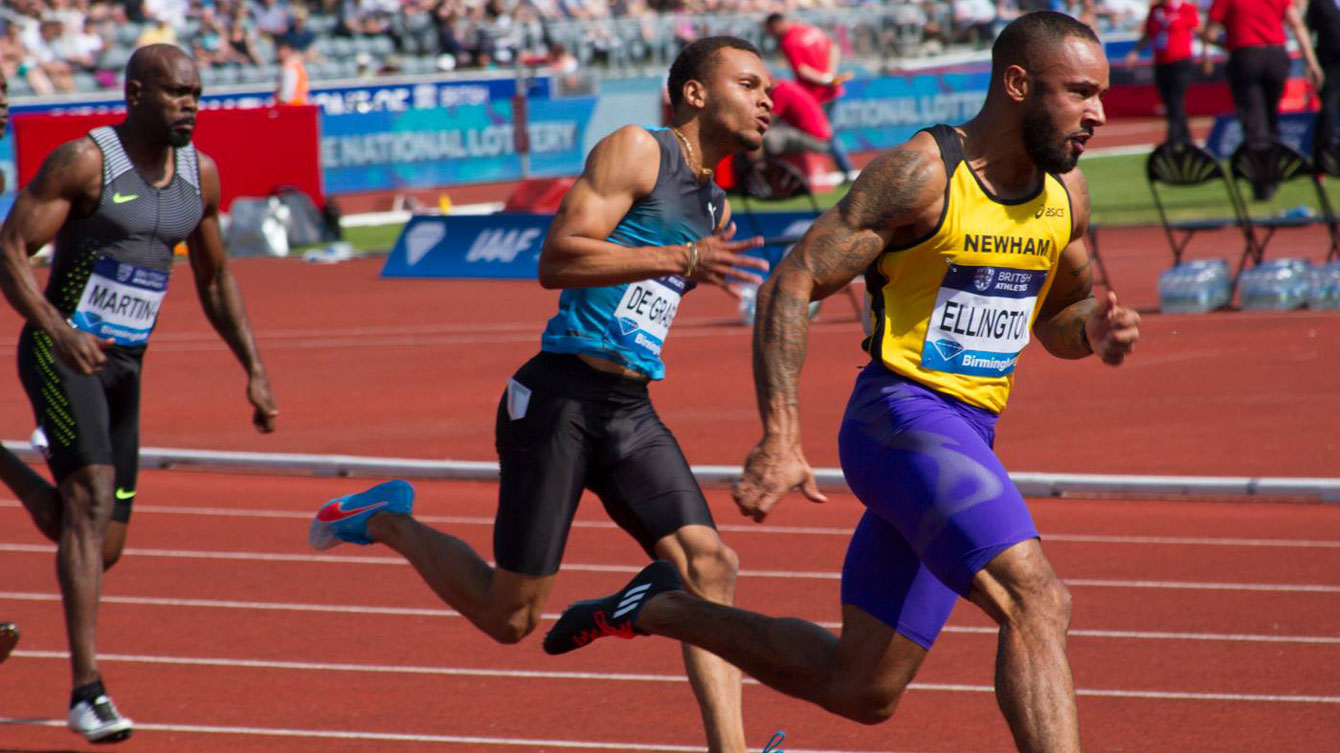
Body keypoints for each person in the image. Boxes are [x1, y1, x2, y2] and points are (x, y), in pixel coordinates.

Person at [545, 13, 1142, 753]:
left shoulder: (1066, 196)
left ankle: (665, 608)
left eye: (1101, 94)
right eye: (1081, 92)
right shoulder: (923, 175)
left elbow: (1056, 315)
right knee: (1038, 599)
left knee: (860, 687)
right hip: (900, 420)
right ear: (1018, 84)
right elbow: (792, 282)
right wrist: (782, 435)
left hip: (968, 437)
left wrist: (1094, 331)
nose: (1099, 113)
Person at [307, 37, 772, 753]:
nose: (768, 97)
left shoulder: (712, 201)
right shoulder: (638, 150)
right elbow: (555, 258)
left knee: (711, 564)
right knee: (511, 617)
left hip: (628, 410)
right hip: (558, 400)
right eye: (749, 82)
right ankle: (386, 518)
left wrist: (689, 262)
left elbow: (647, 278)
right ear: (695, 93)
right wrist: (679, 258)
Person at [0, 44, 278, 743]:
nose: (191, 105)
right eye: (178, 93)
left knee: (101, 539)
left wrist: (254, 365)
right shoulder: (85, 162)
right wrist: (56, 329)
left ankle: (16, 474)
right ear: (136, 93)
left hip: (128, 365)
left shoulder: (201, 177)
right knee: (90, 500)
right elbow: (9, 250)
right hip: (62, 353)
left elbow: (215, 279)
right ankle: (86, 691)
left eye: (198, 94)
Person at [1202, 0, 1323, 199]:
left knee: (1254, 122)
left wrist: (1229, 42)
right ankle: (1273, 174)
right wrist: (1311, 62)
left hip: (1245, 54)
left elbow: (1210, 33)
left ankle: (1262, 182)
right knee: (1271, 118)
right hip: (1275, 54)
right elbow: (1297, 24)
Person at [765, 13, 854, 179]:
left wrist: (825, 79)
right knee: (827, 131)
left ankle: (845, 170)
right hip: (830, 89)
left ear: (776, 24)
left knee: (824, 133)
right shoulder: (811, 30)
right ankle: (844, 170)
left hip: (815, 94)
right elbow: (833, 47)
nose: (770, 34)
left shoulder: (789, 41)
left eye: (770, 29)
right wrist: (830, 73)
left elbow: (802, 70)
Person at [1125, 0, 1201, 145]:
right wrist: (1135, 52)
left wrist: (1205, 53)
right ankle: (1186, 138)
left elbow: (1198, 30)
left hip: (1181, 60)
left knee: (1175, 98)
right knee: (1168, 101)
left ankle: (1173, 138)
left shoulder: (1185, 8)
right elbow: (1147, 34)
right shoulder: (1155, 11)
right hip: (1161, 62)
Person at [1306, 0, 1340, 160]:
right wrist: (1310, 63)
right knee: (1328, 110)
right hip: (1329, 66)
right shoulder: (1320, 2)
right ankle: (1321, 159)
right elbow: (1306, 29)